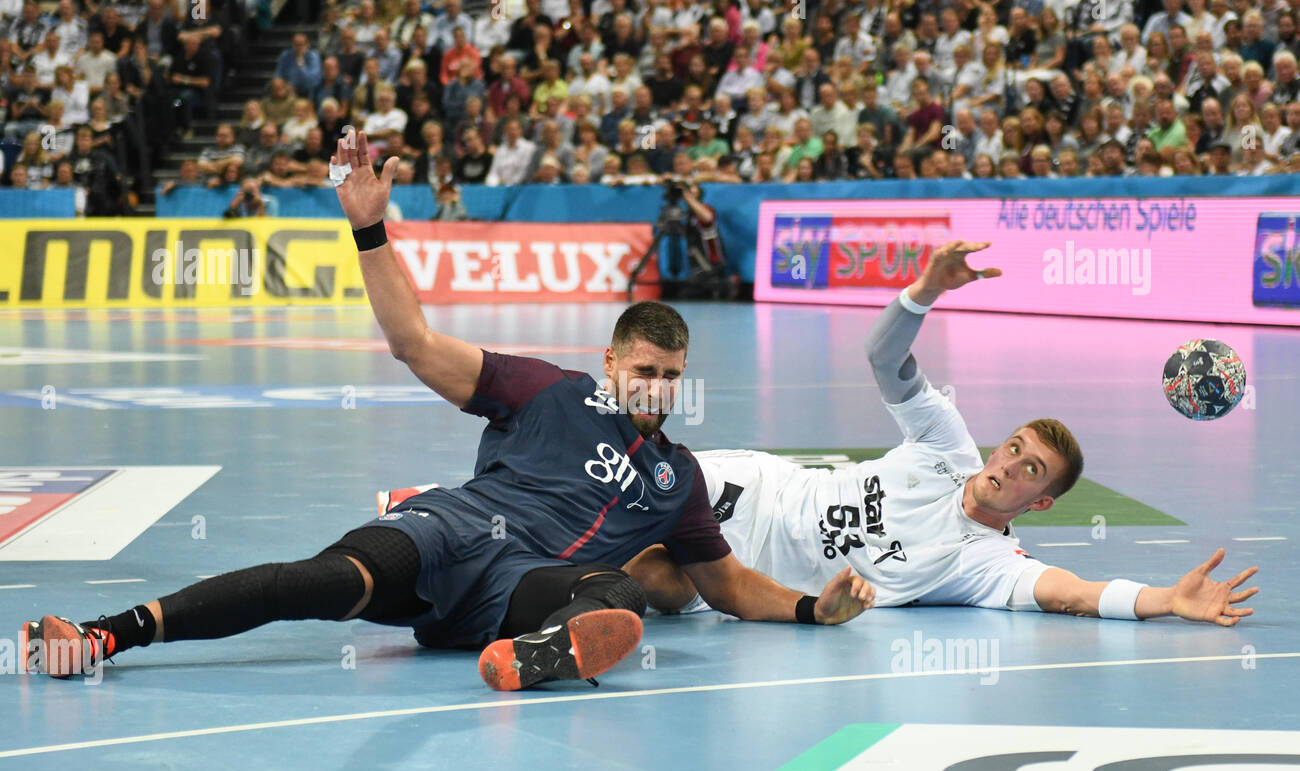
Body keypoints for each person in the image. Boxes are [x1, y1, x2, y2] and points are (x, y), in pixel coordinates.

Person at [22, 129, 871, 689]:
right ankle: (107, 635)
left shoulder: (677, 479)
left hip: (524, 588)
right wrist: (368, 231)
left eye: (671, 375)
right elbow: (414, 342)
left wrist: (808, 608)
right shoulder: (547, 388)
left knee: (617, 593)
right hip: (451, 533)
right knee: (320, 584)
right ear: (611, 362)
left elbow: (725, 586)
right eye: (644, 369)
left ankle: (531, 658)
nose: (657, 388)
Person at [618, 242, 1261, 626]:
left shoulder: (982, 566)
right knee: (599, 480)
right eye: (1014, 448)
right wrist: (924, 292)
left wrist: (1165, 599)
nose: (1010, 465)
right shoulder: (947, 446)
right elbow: (882, 358)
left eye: (1031, 470)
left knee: (650, 577)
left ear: (1039, 504)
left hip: (744, 569)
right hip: (752, 485)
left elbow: (1074, 593)